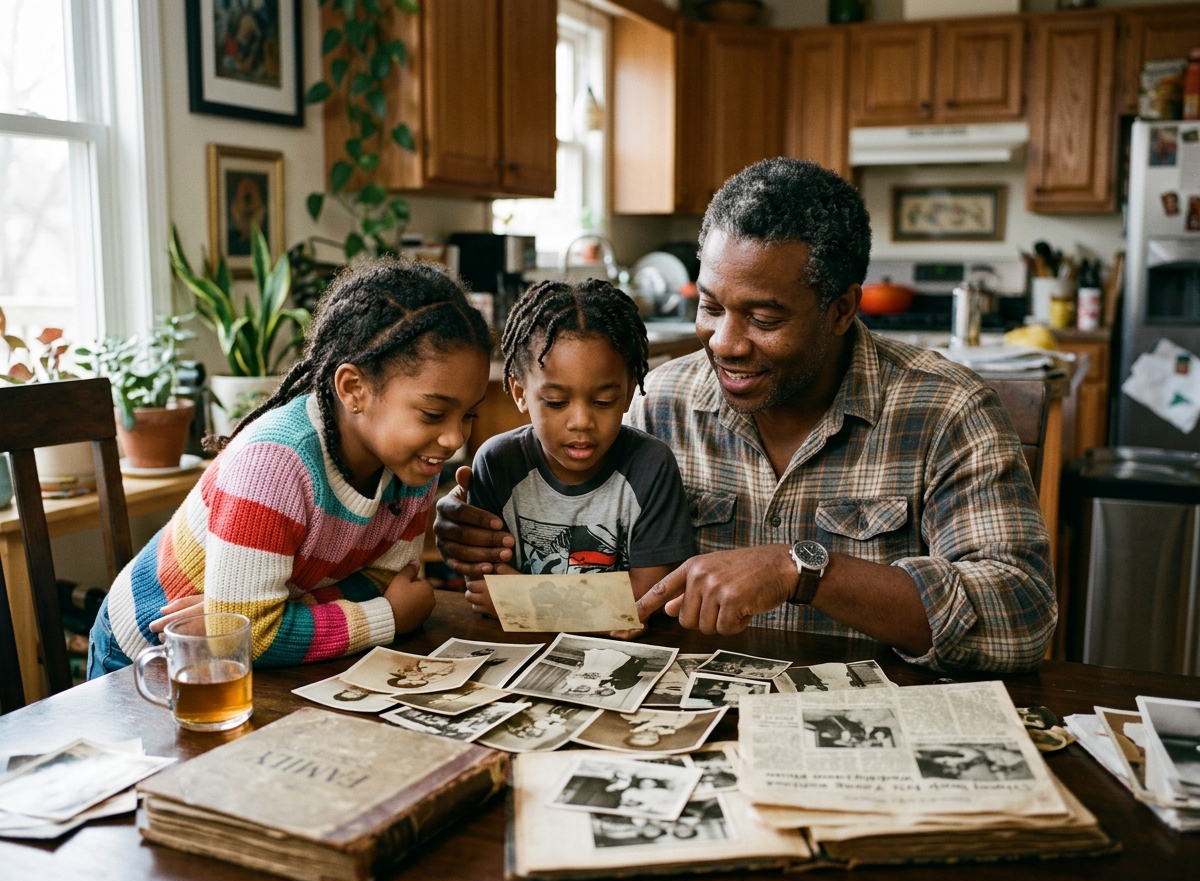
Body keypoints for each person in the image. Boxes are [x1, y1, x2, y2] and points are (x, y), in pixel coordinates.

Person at [435, 158, 1055, 674]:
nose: (725, 342)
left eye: (764, 318)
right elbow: (570, 558)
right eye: (710, 306)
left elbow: (1021, 618)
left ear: (840, 310)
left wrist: (804, 571)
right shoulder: (656, 404)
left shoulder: (945, 410)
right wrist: (478, 522)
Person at [86, 259, 492, 677]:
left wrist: (273, 613)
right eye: (432, 413)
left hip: (246, 666)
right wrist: (385, 617)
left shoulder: (413, 461)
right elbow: (248, 637)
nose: (454, 438)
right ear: (354, 389)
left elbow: (383, 581)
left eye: (468, 416)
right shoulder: (274, 464)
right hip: (143, 655)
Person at [461, 279, 694, 625]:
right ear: (520, 392)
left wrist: (527, 600)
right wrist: (603, 604)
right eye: (556, 402)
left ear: (629, 392)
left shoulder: (650, 466)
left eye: (603, 401)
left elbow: (651, 596)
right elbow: (483, 588)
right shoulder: (498, 464)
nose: (581, 422)